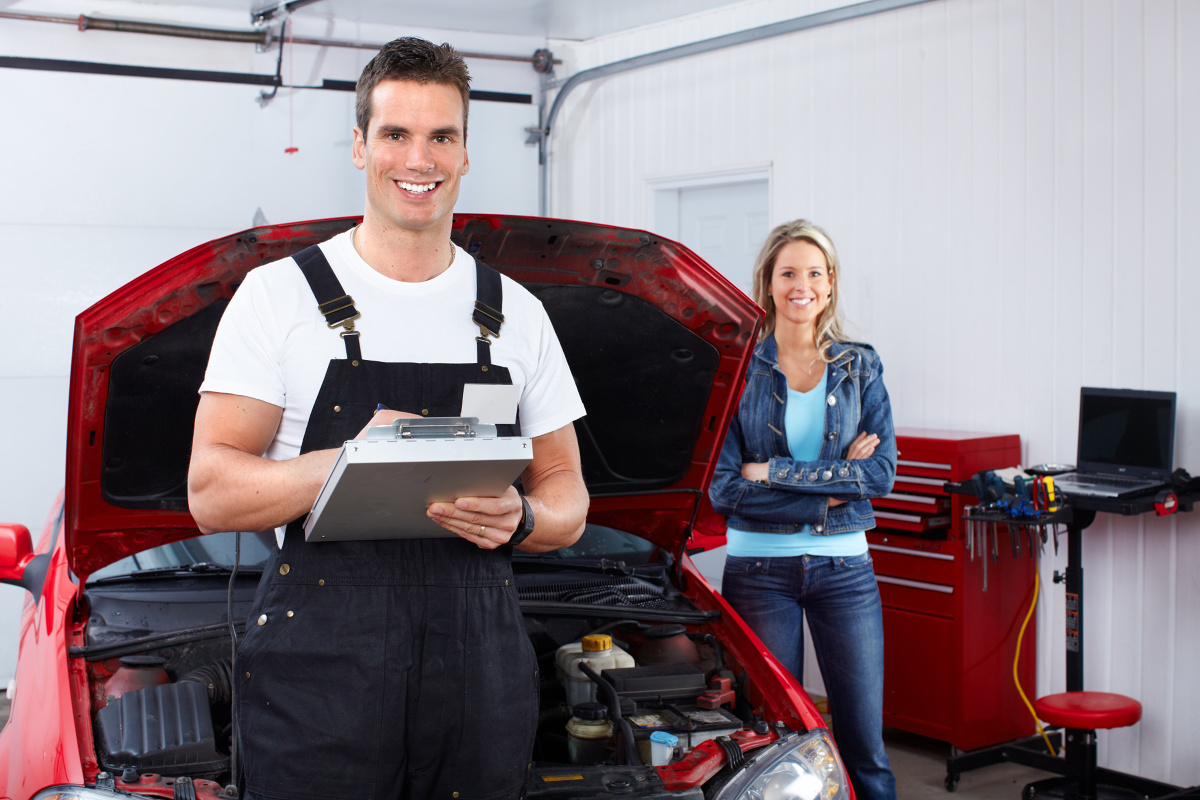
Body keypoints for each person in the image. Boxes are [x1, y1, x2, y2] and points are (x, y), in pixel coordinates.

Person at [187, 37, 589, 800]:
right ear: (359, 145)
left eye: (442, 135)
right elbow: (211, 490)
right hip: (319, 687)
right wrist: (352, 460)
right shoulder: (280, 298)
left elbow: (568, 492)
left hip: (476, 683)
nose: (420, 157)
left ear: (467, 152)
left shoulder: (515, 316)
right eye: (396, 134)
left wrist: (527, 513)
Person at [707, 220, 898, 800]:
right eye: (788, 272)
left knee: (865, 747)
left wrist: (774, 473)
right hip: (759, 573)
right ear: (768, 282)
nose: (802, 285)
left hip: (847, 573)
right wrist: (838, 484)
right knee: (775, 744)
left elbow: (880, 474)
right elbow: (725, 490)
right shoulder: (738, 368)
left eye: (815, 273)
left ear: (831, 283)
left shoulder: (860, 366)